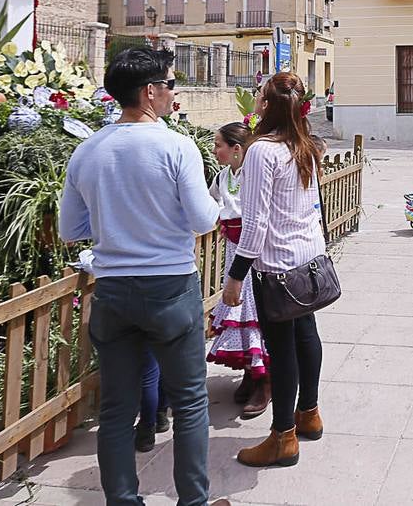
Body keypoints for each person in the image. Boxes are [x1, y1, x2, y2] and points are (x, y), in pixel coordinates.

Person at [58, 47, 220, 505]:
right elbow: (204, 220)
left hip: (112, 290)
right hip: (170, 286)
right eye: (170, 85)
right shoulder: (176, 145)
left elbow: (71, 229)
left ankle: (123, 501)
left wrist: (117, 223)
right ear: (150, 92)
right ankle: (193, 500)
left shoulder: (87, 150)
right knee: (189, 403)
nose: (174, 94)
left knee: (116, 411)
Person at [225, 72, 329, 469]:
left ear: (267, 105)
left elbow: (255, 224)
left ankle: (283, 436)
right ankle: (309, 413)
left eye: (257, 95)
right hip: (308, 258)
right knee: (307, 336)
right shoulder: (303, 144)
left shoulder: (262, 151)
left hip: (278, 265)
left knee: (282, 349)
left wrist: (236, 276)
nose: (253, 99)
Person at [206, 122, 271, 420]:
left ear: (236, 149)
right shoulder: (222, 177)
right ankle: (249, 370)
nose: (214, 150)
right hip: (234, 250)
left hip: (253, 253)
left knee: (255, 310)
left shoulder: (253, 175)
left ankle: (265, 379)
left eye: (219, 144)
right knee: (239, 310)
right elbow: (209, 205)